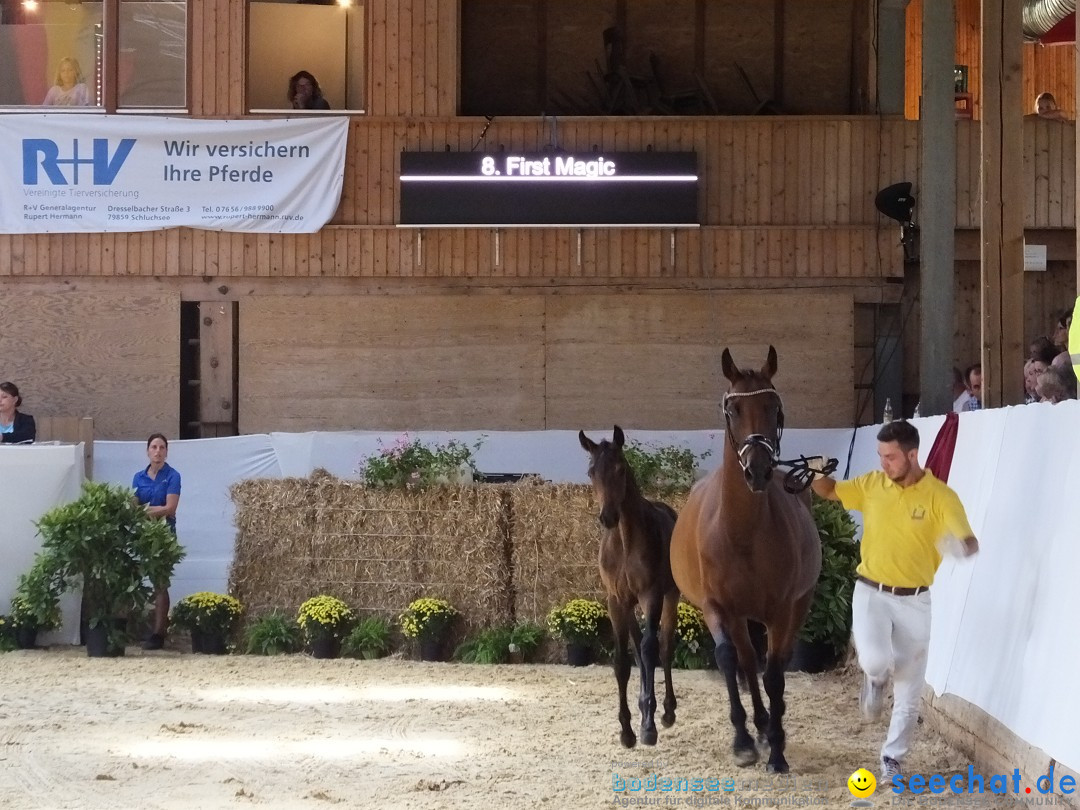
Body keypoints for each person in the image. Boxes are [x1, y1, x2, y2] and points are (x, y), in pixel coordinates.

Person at [809, 420, 978, 781]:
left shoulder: (940, 496)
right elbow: (829, 491)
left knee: (910, 689)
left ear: (912, 455)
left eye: (890, 457)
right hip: (872, 592)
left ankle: (892, 759)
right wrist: (816, 473)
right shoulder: (872, 484)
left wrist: (959, 547)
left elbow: (969, 541)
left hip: (916, 601)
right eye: (880, 456)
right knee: (876, 660)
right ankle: (873, 678)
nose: (883, 463)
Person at [132, 433, 182, 650]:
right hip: (144, 535)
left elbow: (171, 508)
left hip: (164, 536)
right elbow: (133, 506)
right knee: (142, 581)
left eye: (162, 447)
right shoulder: (138, 477)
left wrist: (144, 511)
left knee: (160, 582)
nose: (158, 451)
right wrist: (155, 510)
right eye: (154, 447)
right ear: (148, 451)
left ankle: (159, 632)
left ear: (166, 451)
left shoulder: (173, 476)